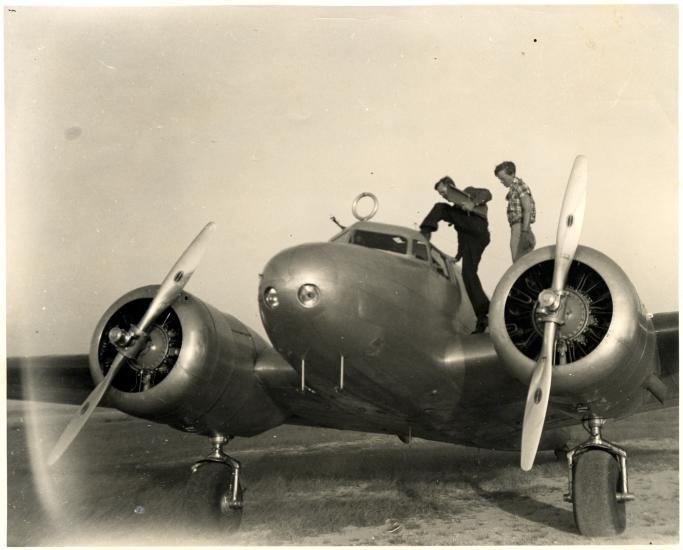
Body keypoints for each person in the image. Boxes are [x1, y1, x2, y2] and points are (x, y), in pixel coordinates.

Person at [419, 176, 492, 334]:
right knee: (468, 273)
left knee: (440, 207)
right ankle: (483, 315)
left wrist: (473, 203)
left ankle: (425, 232)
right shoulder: (459, 210)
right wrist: (458, 256)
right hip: (474, 239)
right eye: (441, 194)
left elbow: (487, 193)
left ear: (450, 186)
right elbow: (462, 235)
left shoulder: (469, 192)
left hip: (478, 229)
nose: (444, 196)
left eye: (444, 192)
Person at [494, 161, 537, 262]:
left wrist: (525, 233)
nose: (502, 181)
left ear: (512, 174)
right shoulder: (513, 189)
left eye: (503, 178)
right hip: (517, 229)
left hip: (521, 228)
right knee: (518, 264)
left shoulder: (520, 186)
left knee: (519, 265)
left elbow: (527, 209)